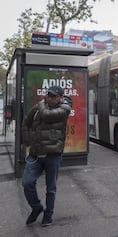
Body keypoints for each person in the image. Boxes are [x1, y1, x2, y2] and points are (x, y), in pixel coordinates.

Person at [22, 85, 72, 226]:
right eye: (48, 95)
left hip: (53, 154)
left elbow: (47, 116)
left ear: (61, 97)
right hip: (36, 154)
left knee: (51, 188)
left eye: (53, 96)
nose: (49, 98)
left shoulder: (65, 108)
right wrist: (27, 140)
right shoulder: (40, 106)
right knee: (27, 182)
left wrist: (40, 105)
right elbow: (26, 122)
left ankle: (48, 215)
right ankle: (37, 207)